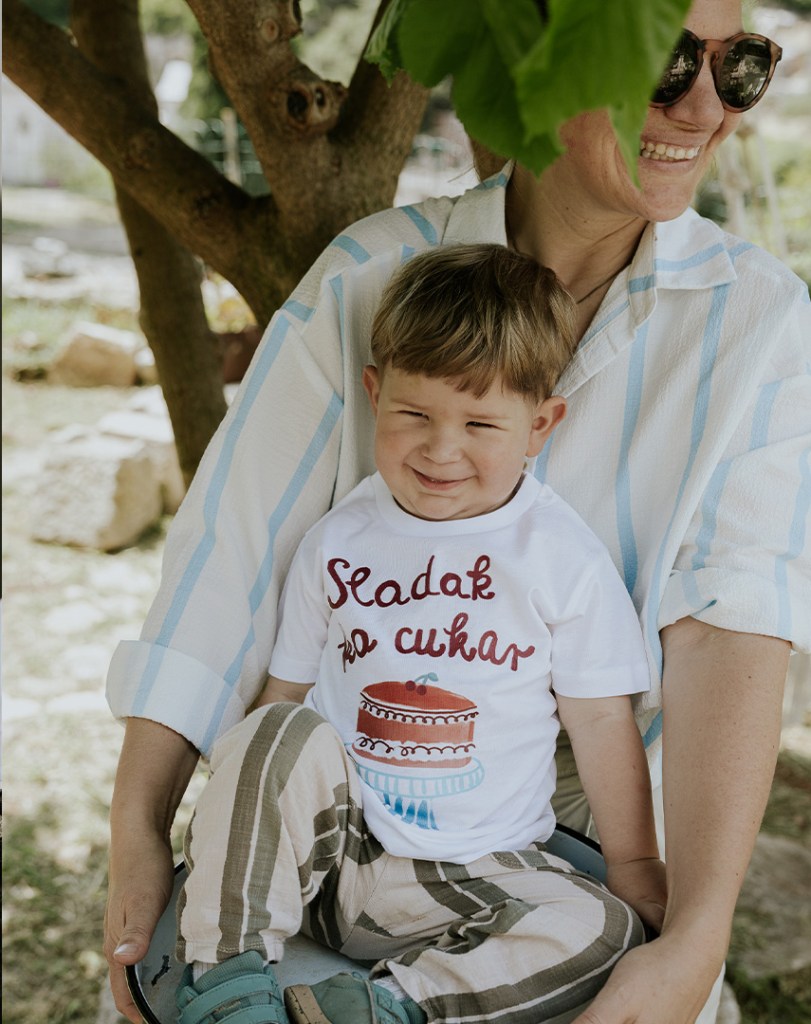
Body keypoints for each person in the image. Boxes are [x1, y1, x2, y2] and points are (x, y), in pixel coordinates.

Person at [105, 1, 809, 1021]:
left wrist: (694, 935)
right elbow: (231, 560)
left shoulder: (760, 318)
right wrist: (138, 826)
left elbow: (732, 628)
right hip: (334, 825)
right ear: (533, 51)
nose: (704, 106)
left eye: (738, 66)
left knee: (594, 941)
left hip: (573, 859)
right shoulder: (368, 275)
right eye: (665, 60)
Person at [173, 243, 664, 1024]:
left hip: (476, 876)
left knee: (600, 929)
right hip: (330, 859)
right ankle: (225, 979)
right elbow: (282, 697)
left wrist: (634, 866)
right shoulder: (338, 540)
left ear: (539, 426)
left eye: (480, 423)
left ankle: (385, 1007)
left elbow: (602, 722)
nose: (441, 449)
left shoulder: (559, 557)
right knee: (269, 731)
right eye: (414, 415)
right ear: (375, 394)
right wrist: (241, 830)